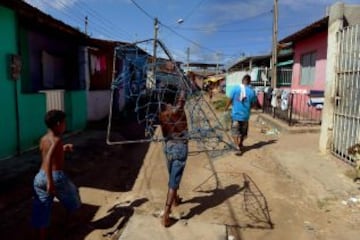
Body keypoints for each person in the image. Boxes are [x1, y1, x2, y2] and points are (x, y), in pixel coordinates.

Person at [32, 110, 81, 240]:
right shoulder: (57, 140)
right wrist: (50, 181)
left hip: (39, 177)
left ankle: (41, 236)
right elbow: (48, 159)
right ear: (58, 124)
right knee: (73, 197)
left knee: (42, 207)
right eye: (64, 123)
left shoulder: (44, 139)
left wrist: (63, 149)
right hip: (54, 177)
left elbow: (47, 153)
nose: (65, 125)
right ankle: (70, 224)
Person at [159, 87, 188, 227]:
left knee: (173, 176)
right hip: (180, 147)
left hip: (168, 147)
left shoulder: (162, 114)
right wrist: (185, 81)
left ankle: (176, 199)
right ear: (175, 99)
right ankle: (166, 213)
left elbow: (165, 134)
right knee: (173, 182)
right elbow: (182, 99)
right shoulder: (178, 110)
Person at [224, 74, 258, 155]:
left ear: (242, 80)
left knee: (234, 131)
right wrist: (250, 107)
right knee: (243, 132)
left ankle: (237, 146)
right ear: (249, 82)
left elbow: (230, 99)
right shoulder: (251, 91)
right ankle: (240, 143)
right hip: (245, 116)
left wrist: (226, 108)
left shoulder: (235, 88)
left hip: (235, 115)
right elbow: (254, 104)